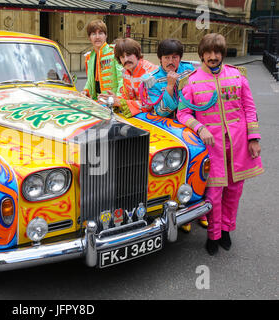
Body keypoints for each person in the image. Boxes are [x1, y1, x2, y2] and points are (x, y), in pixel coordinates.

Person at [177, 33, 263, 255]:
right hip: (212, 147)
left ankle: (226, 231)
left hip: (239, 145)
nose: (213, 56)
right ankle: (213, 235)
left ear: (222, 54)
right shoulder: (192, 81)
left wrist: (253, 139)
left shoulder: (237, 76)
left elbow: (249, 109)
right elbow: (183, 114)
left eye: (217, 52)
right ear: (202, 54)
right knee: (213, 194)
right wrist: (200, 127)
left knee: (234, 191)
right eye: (208, 52)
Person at [140, 38, 208, 232]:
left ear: (180, 58)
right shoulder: (151, 79)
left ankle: (200, 208)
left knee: (204, 164)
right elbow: (160, 111)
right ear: (160, 59)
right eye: (167, 57)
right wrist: (170, 86)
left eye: (175, 57)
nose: (171, 61)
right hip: (170, 128)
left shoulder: (190, 69)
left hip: (195, 123)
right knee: (178, 168)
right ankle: (183, 210)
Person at [98, 38, 157, 118]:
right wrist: (114, 99)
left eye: (129, 55)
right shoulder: (125, 72)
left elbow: (150, 104)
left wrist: (120, 102)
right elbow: (126, 97)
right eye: (122, 57)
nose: (126, 59)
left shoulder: (149, 72)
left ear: (137, 54)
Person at [81, 20, 123, 101]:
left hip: (112, 101)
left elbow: (122, 79)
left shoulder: (114, 52)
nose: (97, 37)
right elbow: (90, 81)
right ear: (89, 38)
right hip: (96, 101)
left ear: (106, 36)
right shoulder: (90, 57)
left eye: (100, 33)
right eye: (93, 34)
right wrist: (85, 91)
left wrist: (118, 98)